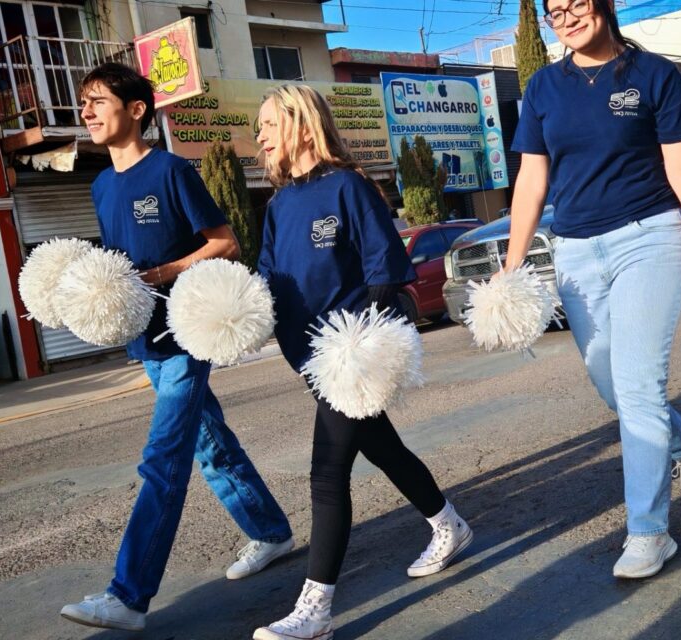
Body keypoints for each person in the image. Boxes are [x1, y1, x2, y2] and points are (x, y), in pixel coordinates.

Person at [504, 0, 681, 579]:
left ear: (603, 5)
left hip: (650, 237)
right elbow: (533, 178)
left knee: (637, 383)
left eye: (576, 4)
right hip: (577, 251)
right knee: (612, 384)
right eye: (554, 11)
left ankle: (648, 532)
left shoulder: (652, 75)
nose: (566, 17)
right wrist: (511, 266)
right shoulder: (541, 88)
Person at [58, 63, 294, 632]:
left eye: (97, 102)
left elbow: (224, 241)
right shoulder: (100, 185)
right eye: (83, 103)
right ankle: (270, 531)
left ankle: (128, 595)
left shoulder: (170, 170)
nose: (86, 113)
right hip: (143, 340)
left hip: (186, 335)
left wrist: (162, 272)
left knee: (163, 460)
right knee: (208, 445)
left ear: (136, 110)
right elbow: (117, 269)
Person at [250, 85, 473, 640]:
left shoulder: (348, 186)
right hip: (305, 357)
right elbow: (267, 280)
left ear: (302, 125)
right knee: (386, 450)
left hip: (348, 356)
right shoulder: (277, 206)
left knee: (327, 473)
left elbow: (383, 269)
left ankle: (316, 609)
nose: (260, 137)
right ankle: (449, 524)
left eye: (269, 124)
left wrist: (361, 351)